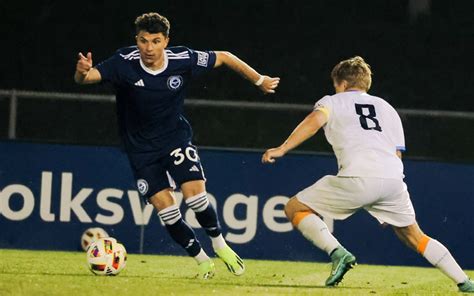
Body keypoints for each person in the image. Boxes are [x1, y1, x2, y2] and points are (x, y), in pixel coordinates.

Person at [75, 12, 280, 279]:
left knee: (195, 196)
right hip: (141, 150)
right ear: (136, 40)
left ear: (166, 41)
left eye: (156, 41)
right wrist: (81, 73)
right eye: (143, 41)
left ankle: (219, 244)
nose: (149, 48)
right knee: (168, 210)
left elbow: (226, 56)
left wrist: (259, 80)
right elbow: (88, 77)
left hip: (175, 138)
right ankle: (203, 261)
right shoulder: (123, 62)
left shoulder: (182, 59)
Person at [261, 56, 473, 292]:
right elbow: (397, 155)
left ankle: (337, 253)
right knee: (416, 236)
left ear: (341, 83)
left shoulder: (333, 101)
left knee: (294, 207)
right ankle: (464, 282)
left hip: (357, 177)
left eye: (335, 85)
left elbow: (314, 121)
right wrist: (385, 201)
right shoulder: (387, 108)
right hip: (393, 180)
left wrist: (282, 148)